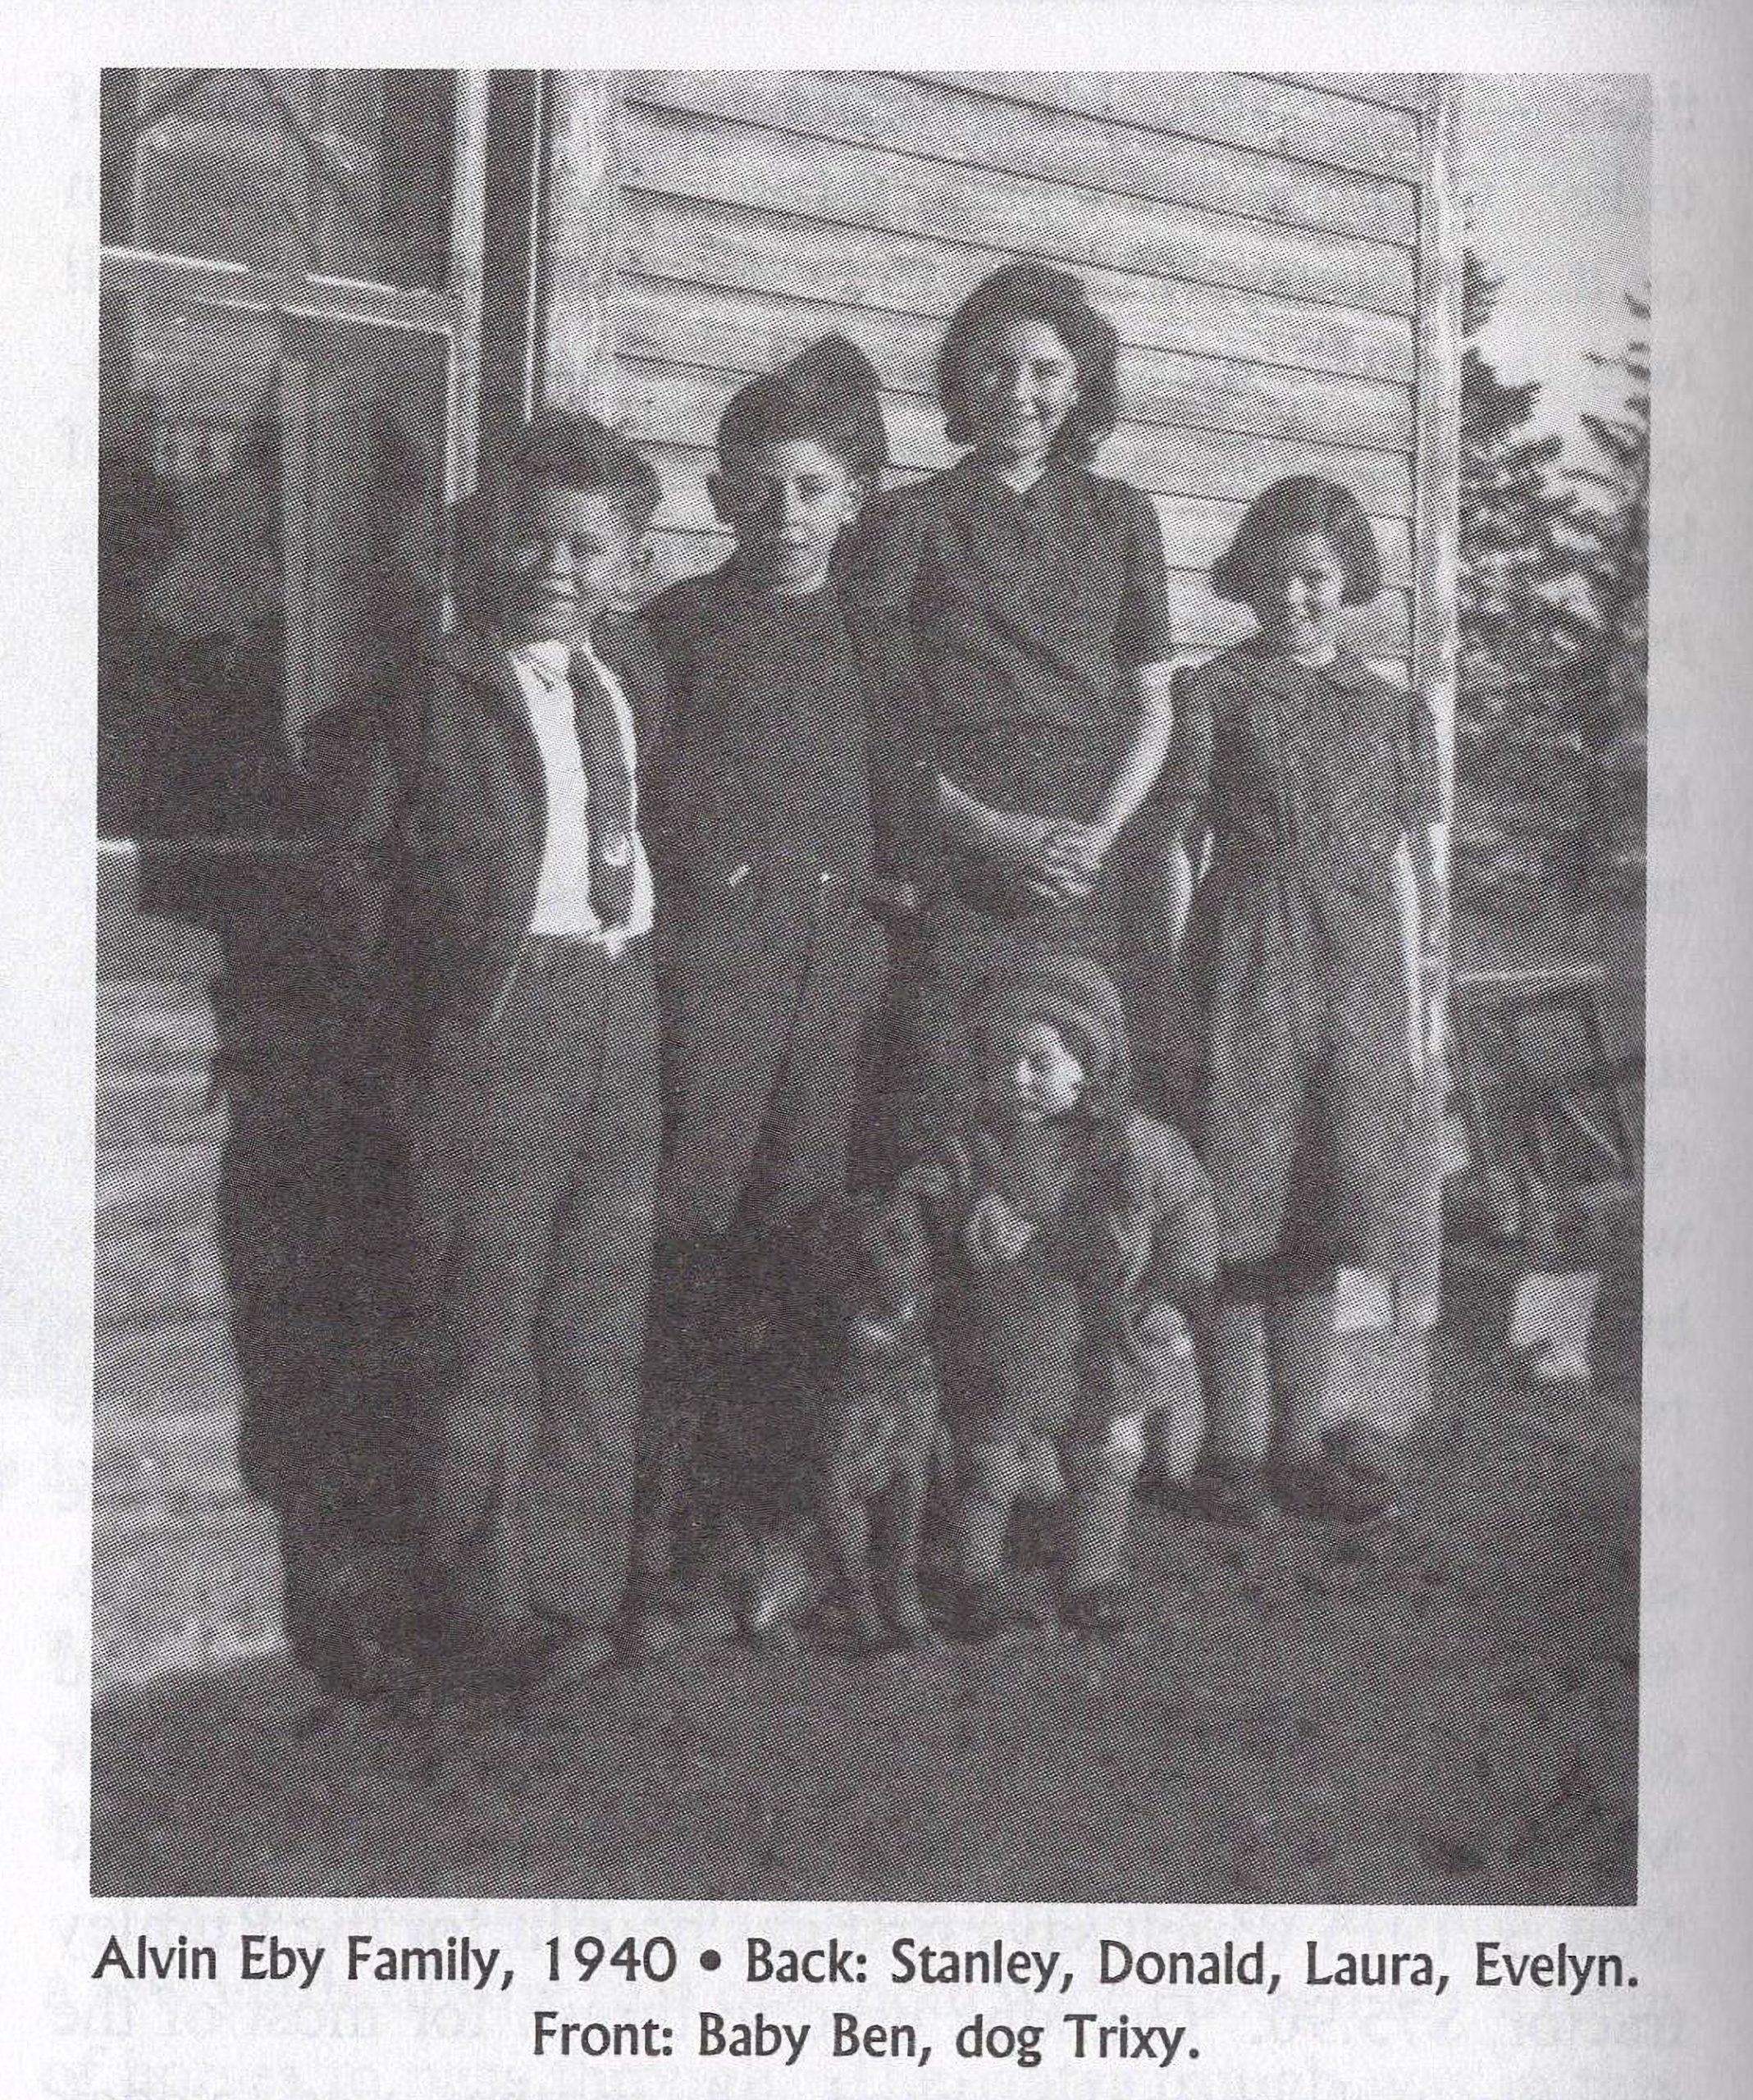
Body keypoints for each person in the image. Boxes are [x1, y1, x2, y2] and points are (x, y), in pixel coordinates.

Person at [336, 411, 669, 1689]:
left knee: (596, 1315)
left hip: (620, 1003)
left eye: (588, 546)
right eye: (532, 538)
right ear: (488, 543)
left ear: (628, 562)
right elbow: (362, 875)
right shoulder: (438, 686)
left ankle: (576, 1595)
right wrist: (430, 1019)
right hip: (502, 1017)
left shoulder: (625, 677)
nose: (556, 568)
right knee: (484, 1320)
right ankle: (481, 1610)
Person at [626, 335, 924, 1655]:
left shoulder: (873, 639)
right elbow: (636, 805)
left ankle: (773, 1534)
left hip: (830, 991)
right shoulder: (678, 632)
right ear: (720, 497)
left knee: (800, 1252)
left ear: (855, 497)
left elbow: (900, 818)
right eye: (759, 490)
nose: (785, 516)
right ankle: (653, 1545)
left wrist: (878, 929)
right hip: (712, 987)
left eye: (811, 489)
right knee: (688, 1247)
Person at [1159, 475, 1441, 1527]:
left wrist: (1415, 1008)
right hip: (1244, 963)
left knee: (1320, 1202)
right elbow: (1178, 848)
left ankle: (1298, 1449)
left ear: (1349, 579)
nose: (1294, 597)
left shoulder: (1391, 709)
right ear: (1246, 578)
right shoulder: (1215, 691)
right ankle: (1231, 1453)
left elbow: (1409, 865)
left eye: (1315, 576)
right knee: (1237, 1202)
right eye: (1275, 576)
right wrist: (1176, 986)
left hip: (1357, 977)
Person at [843, 260, 1178, 1097]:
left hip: (1089, 847)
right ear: (960, 377)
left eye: (1046, 370)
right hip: (954, 838)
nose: (1018, 392)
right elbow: (872, 714)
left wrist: (1100, 834)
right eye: (994, 366)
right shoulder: (906, 519)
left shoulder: (1122, 515)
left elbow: (1151, 701)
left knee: (1079, 1085)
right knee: (951, 1080)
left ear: (1081, 384)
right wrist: (988, 830)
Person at [884, 950, 1219, 1637]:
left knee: (1106, 1456)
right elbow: (915, 1200)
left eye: (1038, 1062)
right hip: (999, 1343)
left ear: (1088, 1064)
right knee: (987, 1462)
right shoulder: (973, 1148)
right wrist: (964, 1215)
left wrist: (1171, 1297)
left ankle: (1091, 1578)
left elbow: (1189, 1212)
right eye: (1002, 1061)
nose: (1017, 1079)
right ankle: (975, 1580)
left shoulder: (1138, 1148)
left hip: (1101, 1342)